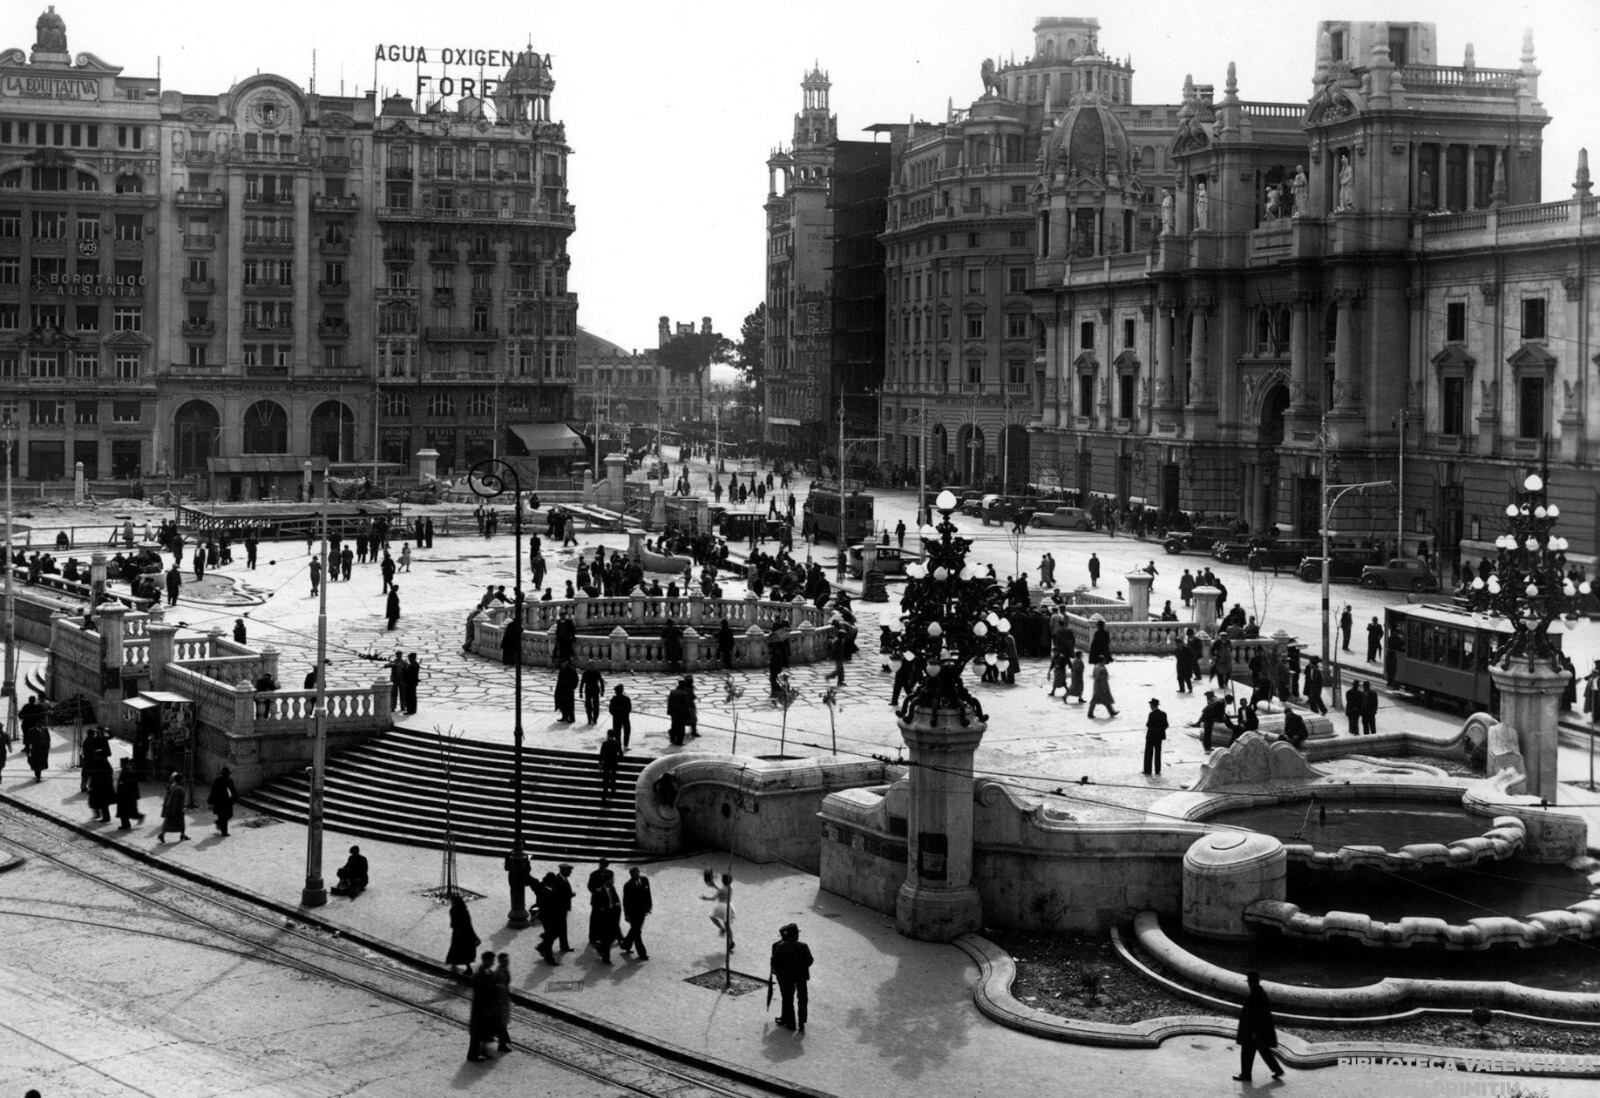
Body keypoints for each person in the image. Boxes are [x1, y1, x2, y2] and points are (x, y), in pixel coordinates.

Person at [1233, 970, 1285, 1082]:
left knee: (1247, 1052)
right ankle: (1277, 1070)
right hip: (1257, 1031)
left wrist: (1254, 1032)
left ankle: (1246, 1075)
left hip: (1253, 1031)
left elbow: (1258, 1016)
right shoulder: (1258, 993)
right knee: (1263, 1051)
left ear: (1251, 982)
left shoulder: (1256, 994)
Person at [770, 922, 814, 1033]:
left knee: (788, 998)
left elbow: (774, 962)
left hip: (786, 977)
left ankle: (790, 1022)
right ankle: (801, 1022)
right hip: (801, 976)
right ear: (795, 935)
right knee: (802, 999)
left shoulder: (780, 947)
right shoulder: (803, 946)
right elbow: (810, 960)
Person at [466, 951, 498, 1062]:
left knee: (484, 1031)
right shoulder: (479, 974)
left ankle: (482, 1051)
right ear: (486, 961)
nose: (493, 963)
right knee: (477, 1033)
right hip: (480, 1008)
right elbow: (480, 993)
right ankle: (473, 1055)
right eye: (492, 961)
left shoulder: (487, 972)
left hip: (486, 1007)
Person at [588, 867, 622, 964]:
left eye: (613, 880)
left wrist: (617, 906)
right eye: (611, 880)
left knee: (613, 936)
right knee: (607, 938)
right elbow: (596, 907)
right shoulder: (599, 892)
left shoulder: (612, 888)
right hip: (604, 918)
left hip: (613, 916)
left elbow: (616, 900)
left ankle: (601, 947)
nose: (613, 881)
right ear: (606, 881)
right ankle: (605, 958)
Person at [621, 865, 652, 960]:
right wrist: (626, 914)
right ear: (631, 875)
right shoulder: (627, 886)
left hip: (642, 911)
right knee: (637, 932)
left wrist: (649, 906)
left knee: (634, 931)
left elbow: (648, 894)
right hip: (633, 913)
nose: (636, 875)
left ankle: (625, 945)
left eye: (637, 872)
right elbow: (625, 901)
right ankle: (642, 954)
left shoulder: (645, 880)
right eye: (634, 874)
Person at [446, 895, 481, 978]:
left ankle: (453, 968)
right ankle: (467, 968)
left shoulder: (453, 910)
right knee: (465, 952)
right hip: (466, 934)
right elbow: (469, 924)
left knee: (455, 950)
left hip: (458, 934)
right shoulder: (464, 910)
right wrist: (475, 937)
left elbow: (453, 924)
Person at [703, 870, 734, 950]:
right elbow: (721, 890)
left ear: (722, 881)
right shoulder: (730, 888)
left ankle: (721, 928)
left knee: (712, 917)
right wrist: (714, 886)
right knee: (728, 925)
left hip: (722, 906)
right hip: (729, 906)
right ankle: (731, 941)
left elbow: (713, 898)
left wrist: (705, 898)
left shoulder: (721, 890)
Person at [550, 864, 577, 952]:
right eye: (569, 871)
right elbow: (558, 895)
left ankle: (564, 946)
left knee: (561, 928)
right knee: (558, 929)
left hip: (562, 908)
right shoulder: (558, 880)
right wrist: (570, 895)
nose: (570, 873)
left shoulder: (562, 879)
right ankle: (544, 946)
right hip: (559, 909)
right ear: (563, 870)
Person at [207, 766, 237, 837]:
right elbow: (213, 791)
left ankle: (219, 822)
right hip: (220, 802)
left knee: (228, 815)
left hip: (227, 801)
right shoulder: (218, 780)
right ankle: (224, 832)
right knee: (223, 817)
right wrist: (211, 801)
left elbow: (233, 790)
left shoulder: (229, 780)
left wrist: (234, 798)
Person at [157, 772, 188, 842]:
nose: (184, 781)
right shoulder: (179, 789)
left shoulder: (174, 786)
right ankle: (162, 835)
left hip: (174, 808)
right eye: (183, 779)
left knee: (171, 823)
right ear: (180, 780)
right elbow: (174, 801)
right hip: (176, 809)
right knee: (172, 823)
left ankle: (182, 835)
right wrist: (175, 810)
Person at [492, 953, 513, 1053]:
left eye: (507, 960)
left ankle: (503, 1042)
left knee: (502, 1022)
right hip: (499, 1001)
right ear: (500, 961)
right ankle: (503, 1043)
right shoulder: (499, 972)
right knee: (501, 1023)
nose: (507, 962)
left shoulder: (505, 970)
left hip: (504, 1000)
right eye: (504, 960)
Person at [114, 758, 143, 830]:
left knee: (124, 810)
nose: (120, 764)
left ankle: (125, 825)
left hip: (125, 795)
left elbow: (126, 783)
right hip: (126, 795)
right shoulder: (126, 770)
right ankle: (126, 824)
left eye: (121, 763)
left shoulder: (127, 771)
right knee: (125, 811)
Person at [1143, 698, 1168, 776]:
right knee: (1158, 753)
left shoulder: (1151, 714)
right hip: (1159, 736)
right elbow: (1166, 725)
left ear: (1152, 705)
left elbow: (1148, 724)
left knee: (1148, 753)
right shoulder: (1163, 714)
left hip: (1151, 736)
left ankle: (1147, 770)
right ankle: (1157, 770)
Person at [598, 732, 621, 800]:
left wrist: (600, 762)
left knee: (606, 779)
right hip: (614, 763)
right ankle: (613, 791)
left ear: (608, 735)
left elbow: (601, 754)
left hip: (606, 763)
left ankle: (604, 794)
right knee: (613, 777)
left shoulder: (605, 743)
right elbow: (620, 753)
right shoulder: (617, 743)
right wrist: (617, 759)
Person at [609, 685, 633, 749]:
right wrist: (623, 713)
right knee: (627, 732)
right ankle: (625, 745)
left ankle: (618, 746)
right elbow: (629, 709)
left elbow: (611, 710)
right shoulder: (627, 699)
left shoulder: (613, 699)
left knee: (617, 733)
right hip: (625, 718)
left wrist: (616, 714)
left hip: (616, 719)